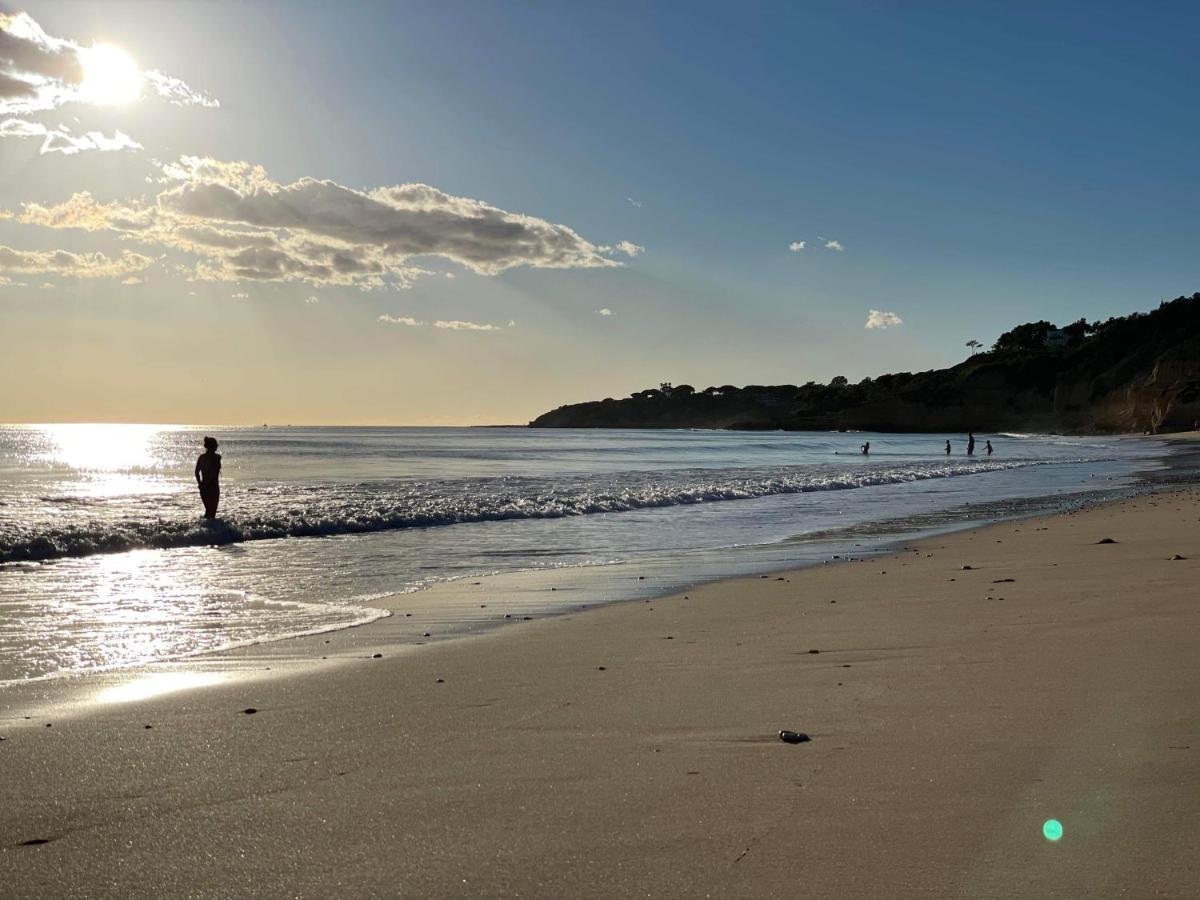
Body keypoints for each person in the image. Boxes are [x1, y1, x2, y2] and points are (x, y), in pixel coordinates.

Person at [195, 436, 222, 519]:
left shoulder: (201, 457)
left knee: (208, 512)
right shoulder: (217, 458)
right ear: (213, 446)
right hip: (213, 488)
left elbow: (196, 473)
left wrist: (201, 484)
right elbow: (213, 474)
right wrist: (207, 484)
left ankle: (203, 530)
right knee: (212, 514)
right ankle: (211, 531)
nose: (217, 446)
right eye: (216, 445)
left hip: (203, 488)